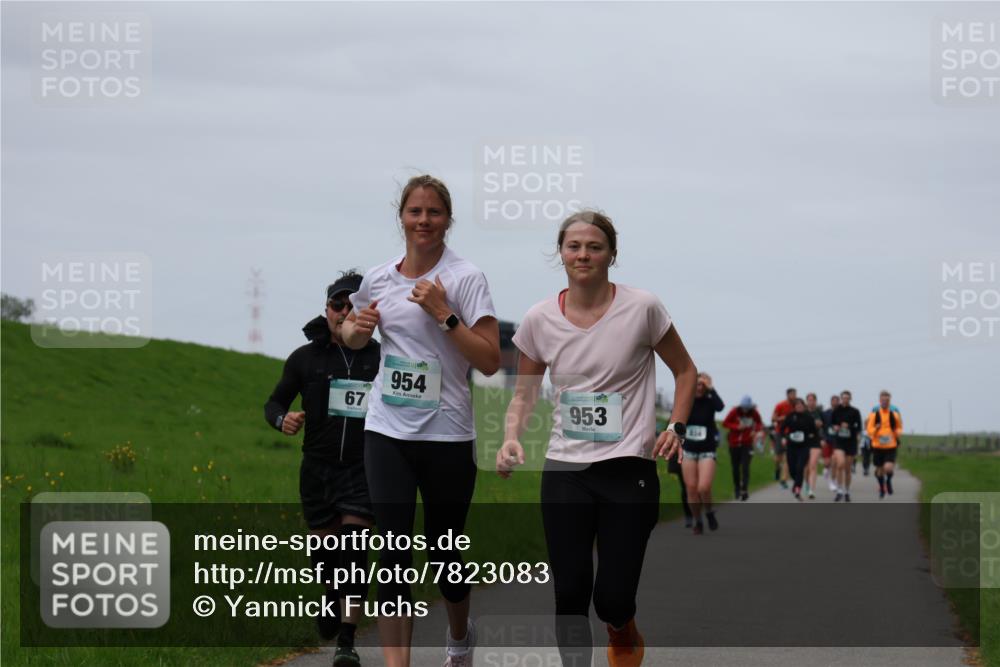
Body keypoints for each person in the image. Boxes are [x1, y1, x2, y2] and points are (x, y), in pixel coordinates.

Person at [497, 209, 696, 667]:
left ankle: (621, 628)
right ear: (561, 253)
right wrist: (511, 437)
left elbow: (684, 371)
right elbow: (524, 396)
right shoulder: (539, 318)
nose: (583, 254)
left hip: (629, 468)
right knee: (569, 592)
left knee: (612, 598)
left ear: (611, 254)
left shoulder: (643, 308)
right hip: (567, 469)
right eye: (574, 246)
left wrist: (675, 427)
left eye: (594, 246)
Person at [340, 175, 501, 667]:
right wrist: (354, 331)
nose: (424, 221)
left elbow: (491, 360)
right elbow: (350, 333)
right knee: (392, 554)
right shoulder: (378, 278)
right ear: (401, 217)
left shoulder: (466, 278)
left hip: (448, 434)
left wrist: (445, 315)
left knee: (445, 557)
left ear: (448, 220)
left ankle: (458, 639)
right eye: (415, 212)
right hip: (386, 429)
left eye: (433, 213)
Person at [264, 272, 379, 665]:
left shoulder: (379, 357)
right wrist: (284, 420)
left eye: (354, 305)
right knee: (326, 556)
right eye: (338, 305)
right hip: (317, 470)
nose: (345, 312)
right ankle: (330, 595)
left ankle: (347, 642)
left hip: (363, 469)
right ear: (327, 310)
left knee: (354, 549)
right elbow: (273, 403)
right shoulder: (304, 358)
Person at [682, 373, 725, 534]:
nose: (699, 387)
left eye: (702, 385)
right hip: (689, 450)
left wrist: (712, 389)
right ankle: (697, 520)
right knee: (691, 488)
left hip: (707, 450)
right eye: (696, 384)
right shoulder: (687, 401)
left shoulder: (710, 402)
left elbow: (720, 407)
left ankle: (709, 512)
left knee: (703, 487)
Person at [722, 395, 763, 501]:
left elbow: (759, 423)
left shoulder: (754, 413)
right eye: (743, 407)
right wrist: (736, 427)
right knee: (735, 468)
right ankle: (737, 488)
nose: (745, 410)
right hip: (734, 444)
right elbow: (725, 423)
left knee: (745, 467)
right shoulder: (734, 412)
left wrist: (755, 430)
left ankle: (744, 489)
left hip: (747, 444)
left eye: (747, 408)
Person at [867, 390, 903, 499]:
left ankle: (888, 482)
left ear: (889, 401)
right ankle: (882, 487)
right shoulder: (874, 414)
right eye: (883, 400)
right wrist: (875, 429)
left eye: (887, 400)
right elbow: (869, 430)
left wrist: (896, 434)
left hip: (890, 445)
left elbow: (899, 428)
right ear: (879, 401)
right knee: (879, 470)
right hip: (877, 446)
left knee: (888, 468)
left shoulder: (894, 414)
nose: (885, 402)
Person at [781, 398, 819, 500]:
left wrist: (811, 438)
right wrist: (784, 438)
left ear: (804, 406)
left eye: (801, 405)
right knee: (792, 469)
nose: (799, 407)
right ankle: (796, 484)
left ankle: (797, 489)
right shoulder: (790, 416)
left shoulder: (808, 418)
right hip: (791, 446)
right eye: (797, 405)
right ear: (794, 407)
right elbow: (782, 428)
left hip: (804, 447)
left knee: (800, 467)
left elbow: (815, 432)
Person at [830, 390, 862, 502]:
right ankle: (839, 490)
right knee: (840, 464)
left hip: (851, 441)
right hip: (839, 441)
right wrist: (836, 427)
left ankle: (847, 491)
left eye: (848, 398)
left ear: (850, 399)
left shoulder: (855, 411)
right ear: (841, 398)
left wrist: (850, 427)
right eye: (844, 397)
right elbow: (831, 424)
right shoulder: (836, 410)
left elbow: (859, 427)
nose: (845, 399)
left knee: (847, 469)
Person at [771, 388, 796, 488]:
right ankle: (777, 469)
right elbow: (773, 418)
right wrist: (782, 418)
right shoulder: (780, 405)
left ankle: (783, 480)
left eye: (795, 394)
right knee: (778, 457)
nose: (794, 396)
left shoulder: (796, 406)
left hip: (791, 434)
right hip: (780, 432)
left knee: (787, 457)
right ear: (787, 395)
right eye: (792, 394)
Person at [804, 392, 824, 499]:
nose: (811, 402)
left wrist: (823, 438)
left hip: (816, 441)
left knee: (813, 465)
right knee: (806, 467)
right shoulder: (803, 412)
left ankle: (812, 489)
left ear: (815, 401)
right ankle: (807, 484)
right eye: (809, 400)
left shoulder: (820, 412)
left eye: (813, 400)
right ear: (807, 401)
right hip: (805, 442)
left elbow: (824, 426)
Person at [821, 394, 840, 491]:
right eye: (834, 401)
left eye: (837, 401)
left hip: (838, 441)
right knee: (827, 462)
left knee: (835, 461)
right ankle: (826, 470)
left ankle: (832, 482)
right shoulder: (825, 413)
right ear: (831, 402)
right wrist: (822, 438)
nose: (835, 402)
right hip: (827, 439)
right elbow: (822, 427)